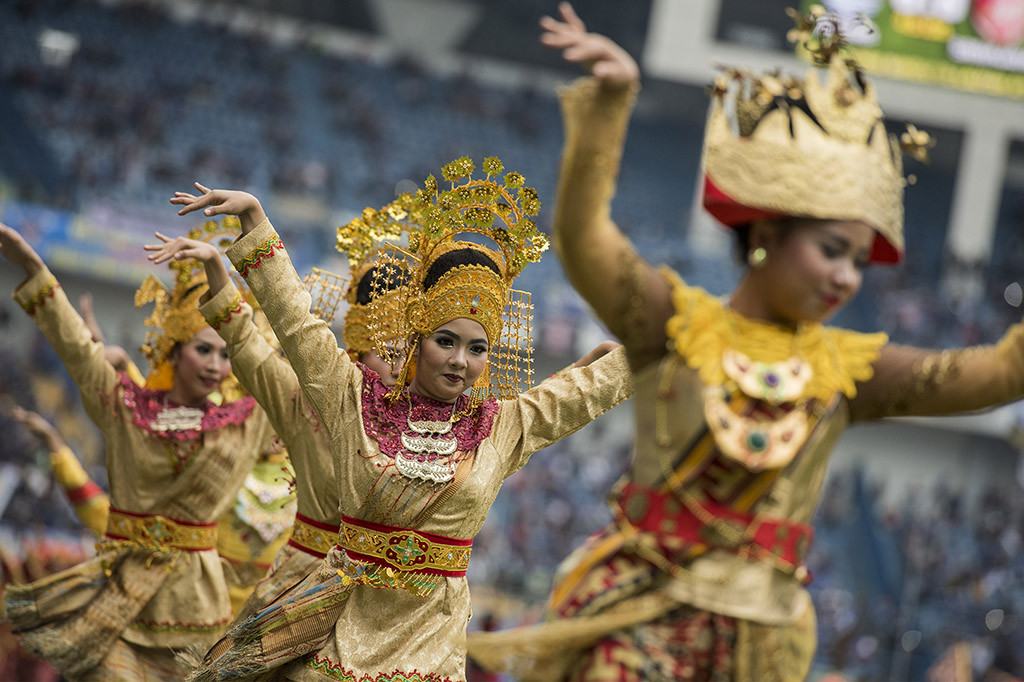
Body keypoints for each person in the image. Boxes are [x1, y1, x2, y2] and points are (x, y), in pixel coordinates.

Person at [465, 5, 1024, 681]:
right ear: (766, 236)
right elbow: (585, 243)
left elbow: (996, 372)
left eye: (859, 262)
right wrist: (612, 107)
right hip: (637, 625)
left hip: (760, 650)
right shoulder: (674, 322)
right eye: (832, 251)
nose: (847, 278)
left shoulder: (850, 369)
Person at [172, 156, 635, 682]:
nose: (460, 360)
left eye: (477, 348)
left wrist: (663, 341)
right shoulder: (354, 401)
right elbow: (297, 326)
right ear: (417, 339)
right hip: (333, 638)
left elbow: (594, 389)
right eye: (446, 341)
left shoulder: (503, 425)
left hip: (431, 654)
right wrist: (255, 220)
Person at [0, 222, 276, 680]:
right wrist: (32, 266)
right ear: (173, 350)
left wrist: (228, 261)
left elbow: (281, 368)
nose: (215, 365)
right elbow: (77, 352)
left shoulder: (242, 424)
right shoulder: (126, 408)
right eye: (203, 351)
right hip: (117, 602)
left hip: (196, 620)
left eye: (224, 355)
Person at [141, 224, 409, 624]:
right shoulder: (309, 407)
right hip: (296, 589)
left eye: (409, 354)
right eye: (386, 352)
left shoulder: (432, 433)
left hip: (376, 608)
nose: (398, 367)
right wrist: (218, 264)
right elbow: (249, 344)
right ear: (356, 352)